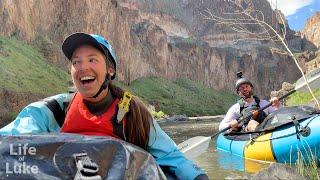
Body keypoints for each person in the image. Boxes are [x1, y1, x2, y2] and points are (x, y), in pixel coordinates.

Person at [0, 32, 208, 180]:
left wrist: (198, 177)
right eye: (76, 62)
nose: (83, 68)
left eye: (92, 59)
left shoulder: (133, 113)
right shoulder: (53, 110)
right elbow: (13, 140)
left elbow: (171, 156)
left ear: (110, 69)